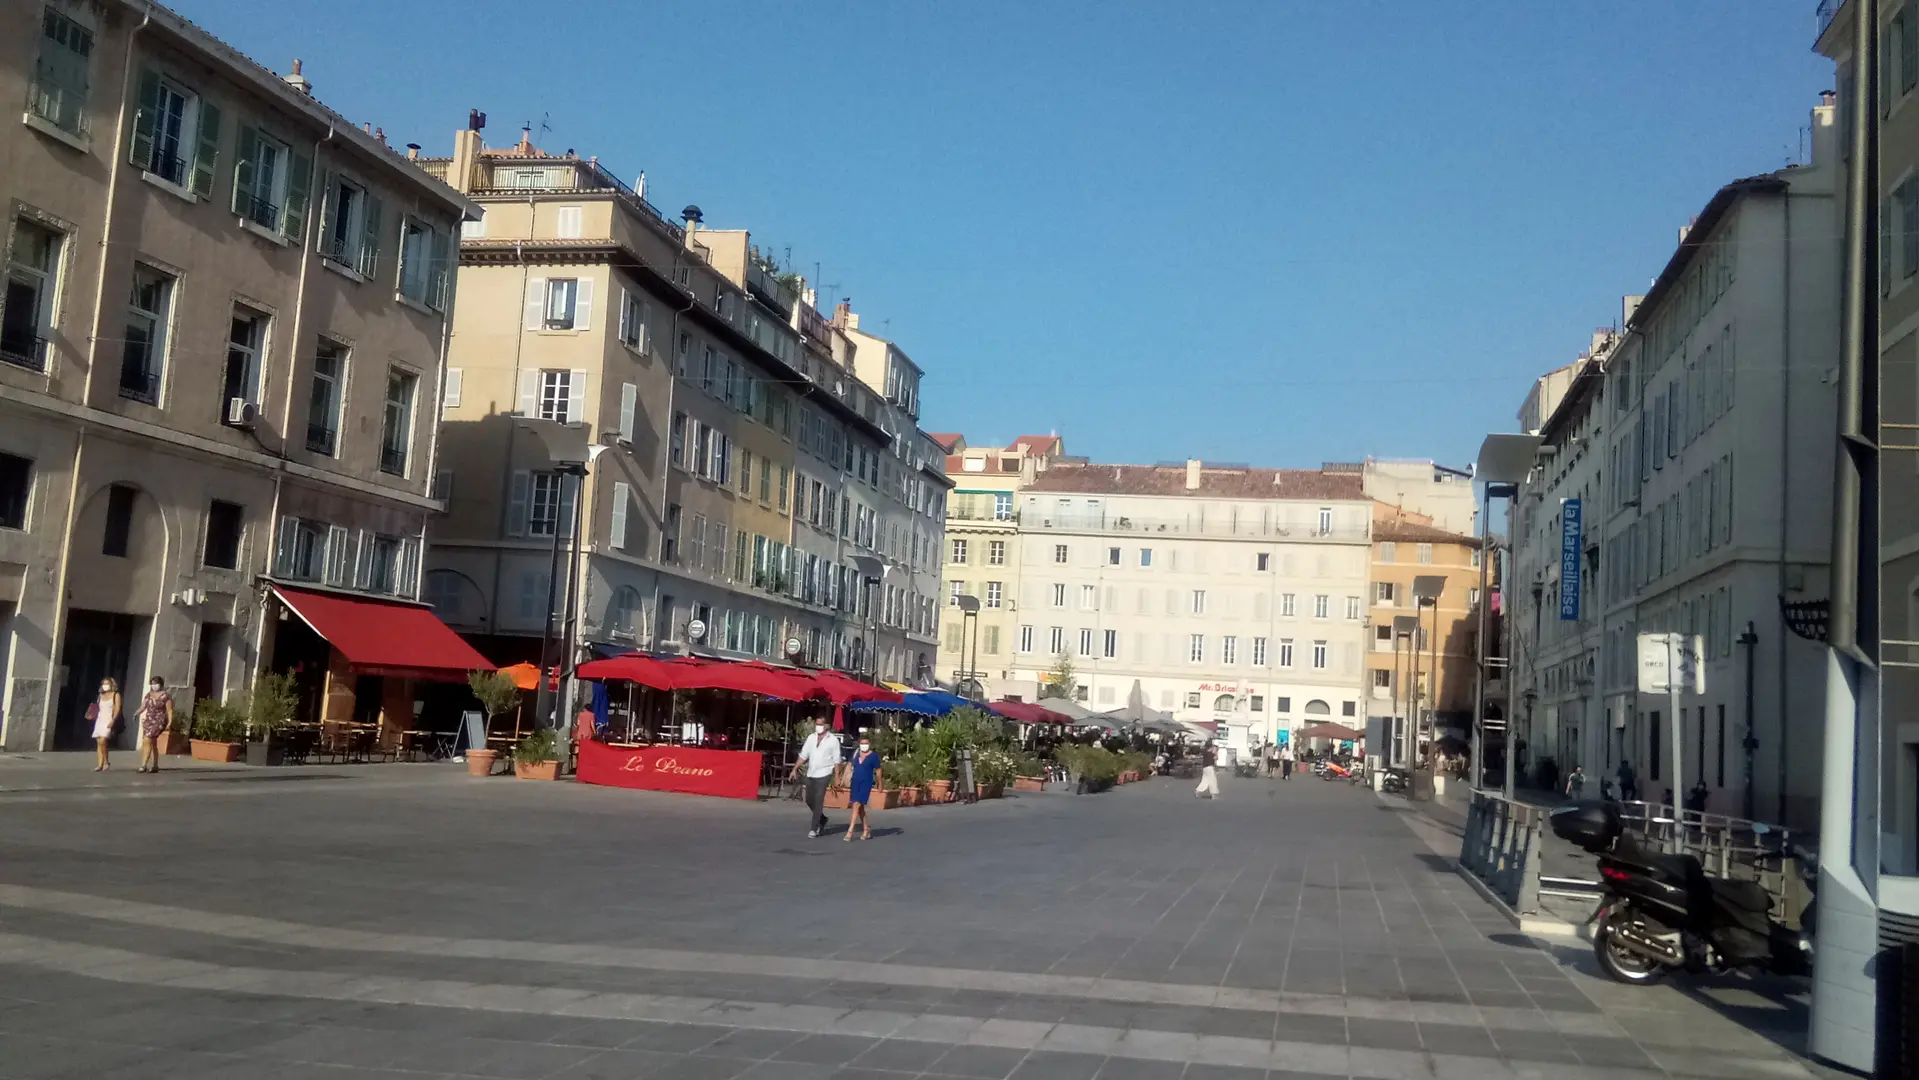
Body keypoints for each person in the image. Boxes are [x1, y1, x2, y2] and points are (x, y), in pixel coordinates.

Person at [790, 719, 842, 838]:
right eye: (817, 724)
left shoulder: (833, 740)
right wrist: (795, 769)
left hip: (825, 773)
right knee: (809, 799)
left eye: (821, 724)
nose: (818, 726)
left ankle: (814, 828)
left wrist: (837, 777)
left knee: (818, 800)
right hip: (811, 773)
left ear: (826, 725)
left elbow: (837, 760)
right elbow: (804, 755)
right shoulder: (811, 738)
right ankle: (822, 819)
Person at [843, 735, 881, 842]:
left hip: (866, 783)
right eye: (862, 743)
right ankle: (866, 830)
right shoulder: (856, 753)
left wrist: (880, 784)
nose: (864, 745)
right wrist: (844, 778)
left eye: (866, 743)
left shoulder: (873, 756)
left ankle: (850, 831)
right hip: (855, 782)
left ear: (869, 744)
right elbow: (849, 765)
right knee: (860, 808)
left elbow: (878, 770)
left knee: (856, 805)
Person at [136, 677, 173, 774]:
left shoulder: (165, 696)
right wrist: (136, 713)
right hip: (149, 720)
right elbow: (143, 706)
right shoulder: (149, 695)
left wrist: (169, 722)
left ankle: (143, 765)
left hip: (159, 720)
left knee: (147, 739)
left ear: (161, 684)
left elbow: (169, 710)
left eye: (156, 683)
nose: (154, 685)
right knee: (152, 742)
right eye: (152, 683)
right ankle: (155, 765)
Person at [91, 677, 121, 772]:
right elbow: (97, 706)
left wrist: (113, 720)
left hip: (109, 719)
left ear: (112, 685)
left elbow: (118, 708)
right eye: (104, 684)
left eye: (107, 684)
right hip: (100, 719)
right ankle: (100, 764)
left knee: (103, 740)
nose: (105, 686)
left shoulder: (116, 695)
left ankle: (106, 761)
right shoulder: (101, 695)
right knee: (98, 741)